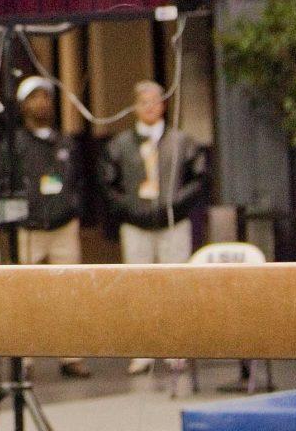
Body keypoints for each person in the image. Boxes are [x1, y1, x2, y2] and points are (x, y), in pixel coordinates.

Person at [100, 81, 208, 375]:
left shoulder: (182, 141)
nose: (150, 107)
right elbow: (109, 185)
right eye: (143, 102)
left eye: (155, 101)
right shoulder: (119, 144)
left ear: (163, 104)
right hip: (136, 225)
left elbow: (198, 180)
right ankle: (143, 350)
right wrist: (131, 209)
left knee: (175, 283)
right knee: (138, 285)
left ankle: (176, 348)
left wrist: (174, 205)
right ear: (135, 106)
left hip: (174, 224)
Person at [0, 76, 91, 379]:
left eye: (46, 97)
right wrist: (16, 218)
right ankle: (25, 359)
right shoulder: (13, 145)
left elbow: (78, 181)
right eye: (34, 97)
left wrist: (74, 208)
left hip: (63, 228)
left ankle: (70, 356)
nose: (42, 103)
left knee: (69, 293)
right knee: (24, 295)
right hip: (29, 230)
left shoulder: (65, 143)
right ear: (22, 106)